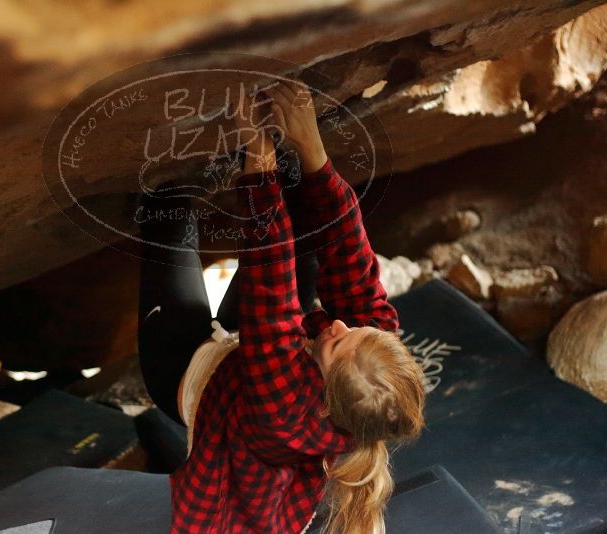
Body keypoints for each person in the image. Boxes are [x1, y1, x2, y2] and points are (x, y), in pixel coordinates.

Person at [137, 79, 426, 534]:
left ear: (326, 399)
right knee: (309, 230)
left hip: (183, 369)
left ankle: (168, 204)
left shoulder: (285, 412)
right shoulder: (365, 356)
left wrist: (258, 152)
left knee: (169, 215)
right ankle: (287, 173)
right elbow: (351, 257)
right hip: (248, 350)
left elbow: (270, 276)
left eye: (334, 345)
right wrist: (313, 151)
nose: (336, 325)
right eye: (357, 331)